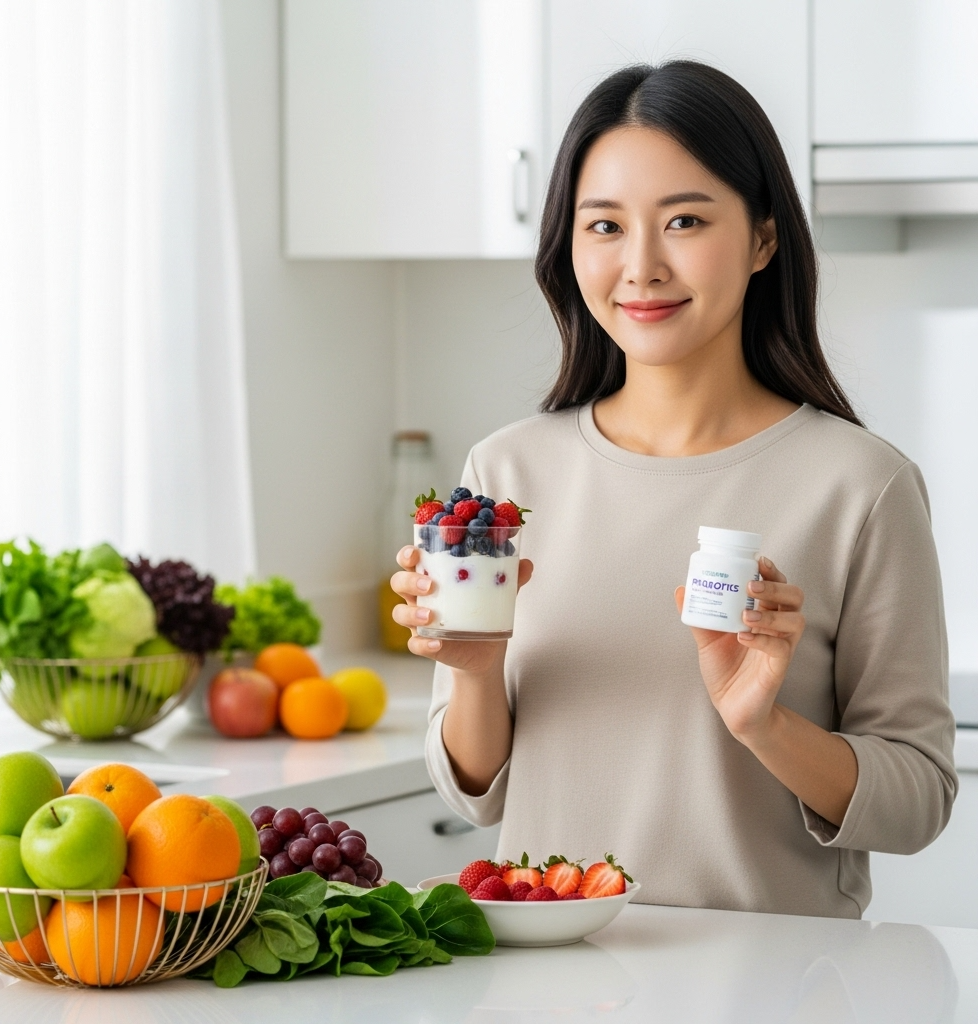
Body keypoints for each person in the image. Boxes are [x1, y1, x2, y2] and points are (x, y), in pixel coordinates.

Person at [390, 61, 956, 918]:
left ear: (765, 239)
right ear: (568, 245)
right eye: (605, 225)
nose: (641, 265)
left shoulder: (860, 486)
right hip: (550, 984)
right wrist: (475, 671)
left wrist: (763, 724)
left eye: (685, 220)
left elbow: (917, 800)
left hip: (771, 988)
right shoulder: (505, 478)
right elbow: (475, 796)